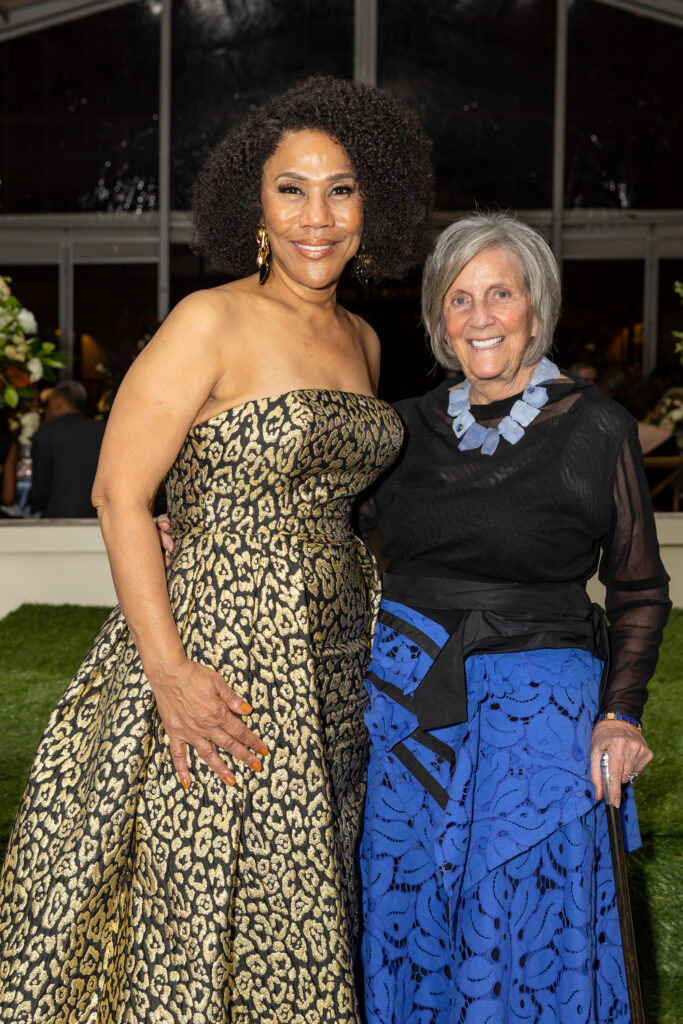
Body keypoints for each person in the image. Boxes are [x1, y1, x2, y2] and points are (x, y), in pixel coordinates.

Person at [0, 76, 433, 1024]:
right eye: (291, 189)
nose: (316, 216)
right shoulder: (210, 318)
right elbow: (120, 491)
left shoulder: (362, 338)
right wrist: (169, 674)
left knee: (308, 882)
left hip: (335, 653)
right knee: (204, 891)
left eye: (342, 188)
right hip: (218, 651)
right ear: (254, 204)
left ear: (375, 205)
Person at [358, 213, 670, 1023]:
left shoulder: (595, 426)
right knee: (407, 914)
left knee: (524, 924)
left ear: (537, 305)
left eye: (500, 293)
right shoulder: (399, 430)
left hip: (538, 715)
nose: (480, 316)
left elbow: (637, 588)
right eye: (458, 299)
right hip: (405, 711)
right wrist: (189, 518)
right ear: (437, 318)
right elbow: (321, 525)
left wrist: (618, 716)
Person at [29, 379, 106, 517]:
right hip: (99, 521)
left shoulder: (46, 434)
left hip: (55, 521)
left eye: (48, 404)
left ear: (58, 401)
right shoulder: (105, 431)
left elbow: (40, 488)